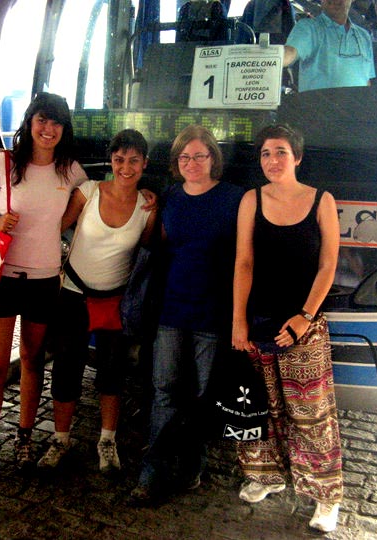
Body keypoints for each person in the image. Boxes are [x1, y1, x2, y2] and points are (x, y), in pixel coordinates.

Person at [0, 92, 88, 486]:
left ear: (64, 129)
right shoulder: (5, 163)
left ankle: (25, 439)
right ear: (30, 122)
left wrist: (143, 197)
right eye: (42, 120)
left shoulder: (70, 170)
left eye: (56, 122)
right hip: (3, 277)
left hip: (45, 280)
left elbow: (91, 198)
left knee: (32, 361)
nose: (48, 129)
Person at [231, 124, 343, 533]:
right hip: (259, 324)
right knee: (258, 406)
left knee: (311, 414)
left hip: (303, 328)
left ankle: (326, 495)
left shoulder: (321, 200)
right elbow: (244, 262)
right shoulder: (251, 200)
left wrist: (304, 316)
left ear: (297, 157)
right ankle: (265, 475)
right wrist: (238, 321)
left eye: (280, 152)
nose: (272, 160)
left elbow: (329, 265)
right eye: (265, 153)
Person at [129, 125, 245, 506]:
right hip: (171, 310)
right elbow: (159, 245)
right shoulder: (170, 197)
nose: (191, 163)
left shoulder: (235, 198)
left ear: (213, 157)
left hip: (213, 314)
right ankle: (152, 471)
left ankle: (193, 464)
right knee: (163, 391)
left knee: (201, 395)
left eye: (199, 155)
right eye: (184, 157)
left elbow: (246, 256)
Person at [36, 129, 157, 474]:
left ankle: (107, 441)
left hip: (115, 301)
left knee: (111, 373)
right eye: (119, 159)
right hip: (73, 294)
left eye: (134, 160)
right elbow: (52, 230)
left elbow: (147, 257)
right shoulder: (88, 192)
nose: (126, 167)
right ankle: (61, 438)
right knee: (66, 368)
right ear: (111, 161)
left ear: (145, 164)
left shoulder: (148, 208)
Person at [283, 0, 375, 92]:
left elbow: (366, 80)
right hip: (320, 101)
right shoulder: (308, 28)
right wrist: (277, 58)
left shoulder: (364, 36)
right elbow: (290, 52)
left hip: (358, 101)